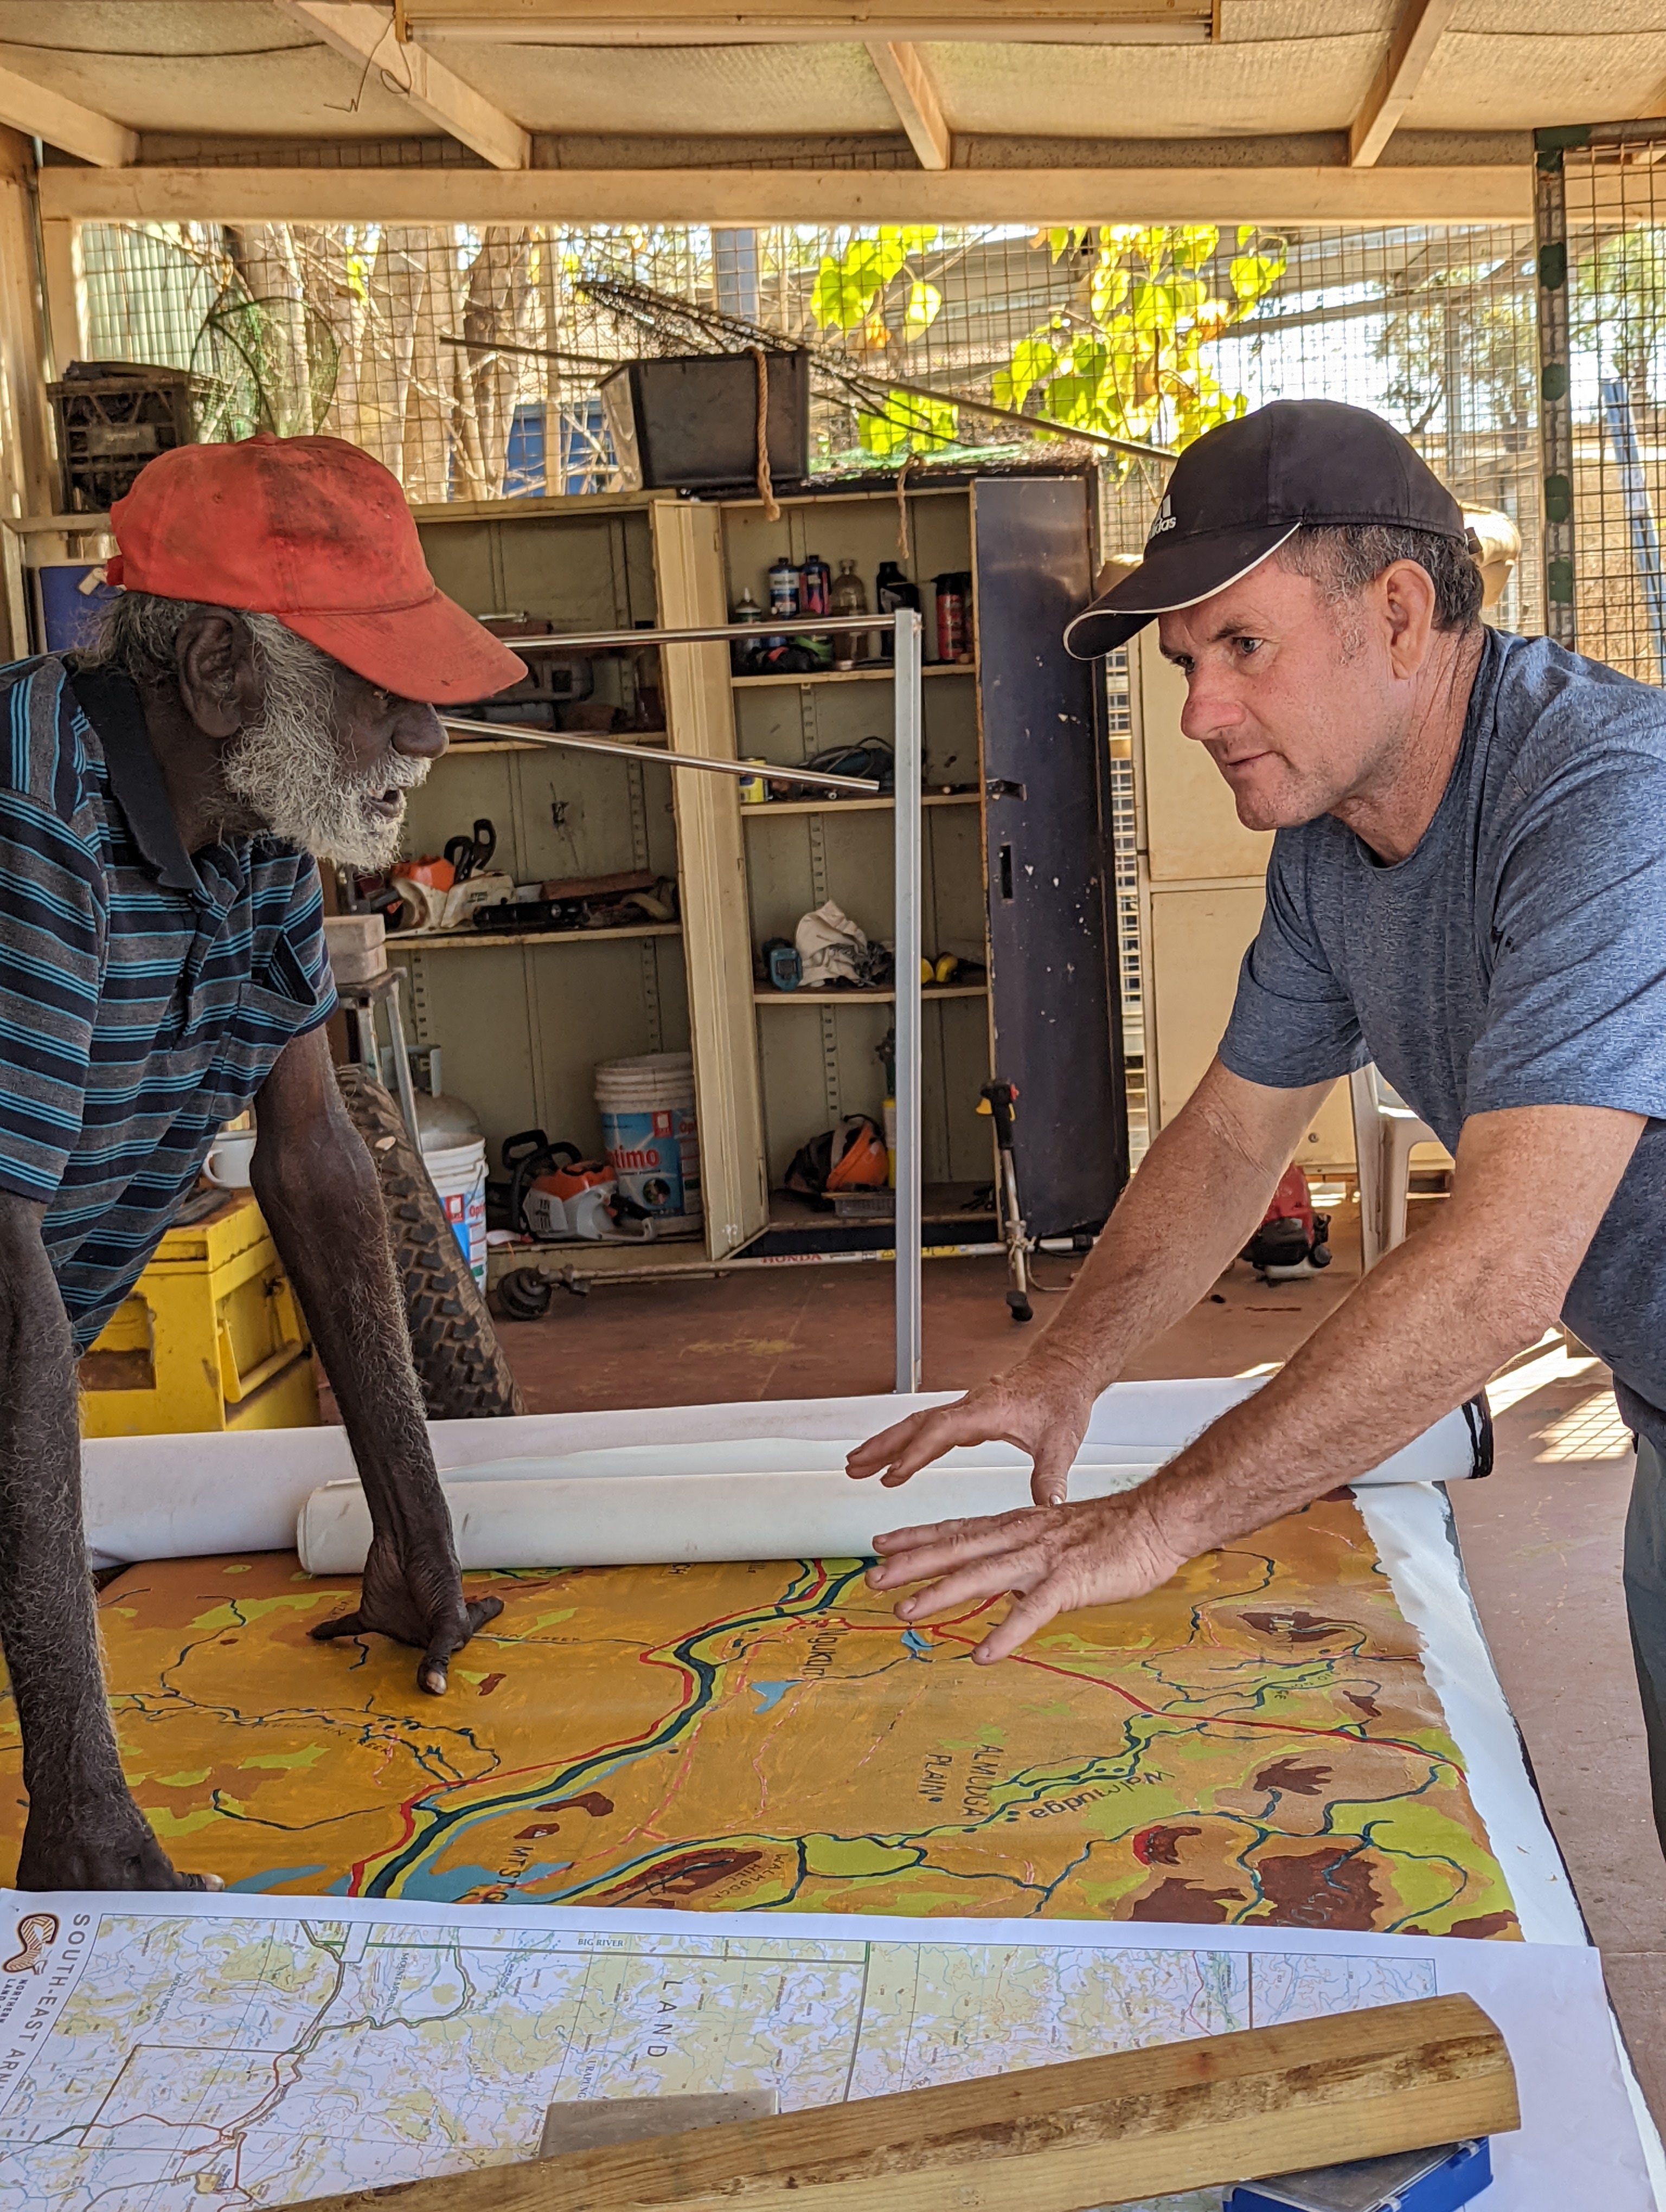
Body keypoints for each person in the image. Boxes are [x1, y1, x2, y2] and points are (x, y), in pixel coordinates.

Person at [848, 397, 1666, 1851]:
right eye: (1183, 662)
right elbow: (1234, 1135)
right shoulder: (1327, 849)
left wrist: (1154, 1525)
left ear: (1400, 614)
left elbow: (1498, 1274)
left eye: (1244, 647)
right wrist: (1067, 1369)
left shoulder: (1611, 804)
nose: (1199, 711)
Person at [0, 431, 527, 1890]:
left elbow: (315, 1162)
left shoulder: (246, 825)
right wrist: (80, 1796)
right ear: (225, 672)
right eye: (380, 692)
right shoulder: (29, 820)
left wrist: (414, 1530)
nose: (425, 740)